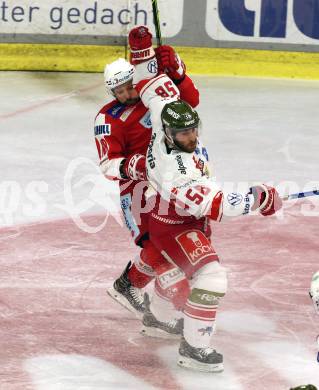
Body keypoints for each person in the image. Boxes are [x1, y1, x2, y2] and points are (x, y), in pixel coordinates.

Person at [133, 72, 283, 372]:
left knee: (180, 269)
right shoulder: (177, 171)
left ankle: (158, 319)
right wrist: (259, 197)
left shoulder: (164, 113)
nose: (192, 137)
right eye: (184, 134)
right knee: (212, 277)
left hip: (168, 216)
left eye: (193, 130)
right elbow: (216, 204)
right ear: (168, 134)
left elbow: (153, 88)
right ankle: (194, 348)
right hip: (178, 226)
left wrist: (149, 55)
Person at [94, 25, 199, 319]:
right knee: (154, 243)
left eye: (129, 85)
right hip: (138, 189)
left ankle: (133, 288)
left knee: (176, 239)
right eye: (119, 90)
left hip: (173, 178)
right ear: (111, 91)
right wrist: (138, 167)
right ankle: (160, 301)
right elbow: (107, 165)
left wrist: (176, 73)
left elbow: (190, 102)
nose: (128, 93)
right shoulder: (107, 118)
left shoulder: (152, 95)